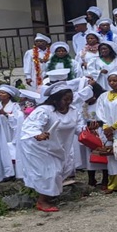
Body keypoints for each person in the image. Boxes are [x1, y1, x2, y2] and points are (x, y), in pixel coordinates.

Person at [19, 83, 82, 211]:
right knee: (50, 173)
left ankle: (48, 195)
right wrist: (38, 135)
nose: (69, 102)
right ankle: (42, 201)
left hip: (59, 147)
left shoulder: (73, 111)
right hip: (39, 147)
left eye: (71, 99)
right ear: (55, 99)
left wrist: (89, 130)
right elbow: (31, 126)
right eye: (65, 99)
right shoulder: (44, 110)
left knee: (62, 170)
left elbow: (79, 127)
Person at [78, 83, 109, 189]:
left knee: (103, 153)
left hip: (101, 130)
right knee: (89, 155)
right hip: (89, 132)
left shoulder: (102, 103)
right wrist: (86, 128)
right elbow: (80, 120)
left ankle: (105, 179)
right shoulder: (83, 106)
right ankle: (91, 178)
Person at [0, 85, 24, 162]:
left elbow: (17, 119)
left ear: (9, 95)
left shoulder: (15, 106)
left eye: (3, 93)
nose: (0, 94)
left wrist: (5, 114)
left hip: (9, 130)